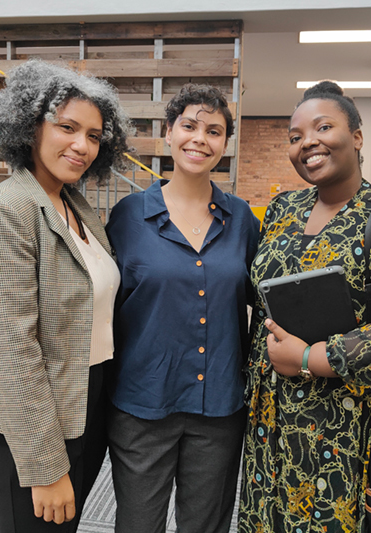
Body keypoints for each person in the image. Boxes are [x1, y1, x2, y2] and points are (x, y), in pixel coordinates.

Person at [238, 81, 371, 532]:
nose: (307, 143)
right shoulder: (282, 210)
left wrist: (312, 358)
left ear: (356, 136)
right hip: (274, 418)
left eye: (323, 127)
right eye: (295, 137)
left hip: (353, 424)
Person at [0, 60, 131, 533]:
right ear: (30, 127)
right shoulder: (8, 209)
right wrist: (44, 465)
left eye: (95, 136)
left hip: (83, 397)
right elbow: (10, 349)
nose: (82, 146)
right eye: (67, 127)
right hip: (27, 415)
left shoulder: (72, 202)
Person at [105, 84, 260, 533]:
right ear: (169, 133)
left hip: (219, 408)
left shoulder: (243, 220)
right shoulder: (129, 216)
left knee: (206, 527)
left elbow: (264, 299)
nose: (200, 138)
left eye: (214, 131)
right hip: (142, 406)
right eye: (189, 126)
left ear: (225, 144)